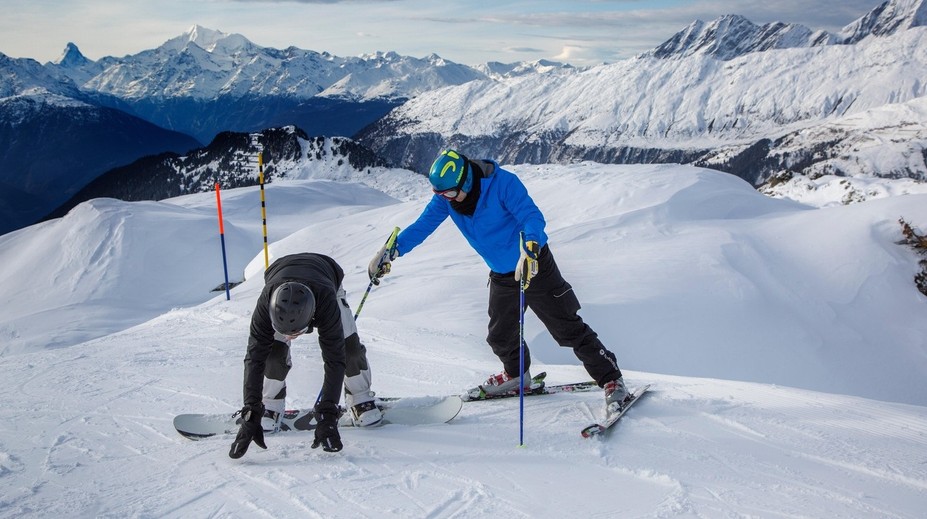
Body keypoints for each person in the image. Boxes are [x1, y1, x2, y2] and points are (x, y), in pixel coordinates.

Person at [367, 149, 630, 414]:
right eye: (439, 194)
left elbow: (531, 216)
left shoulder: (503, 184)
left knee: (567, 329)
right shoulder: (448, 199)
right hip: (503, 275)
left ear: (465, 181)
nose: (443, 199)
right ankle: (517, 376)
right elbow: (423, 225)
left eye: (446, 193)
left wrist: (530, 247)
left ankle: (611, 379)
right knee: (500, 336)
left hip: (534, 265)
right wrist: (393, 250)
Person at [229, 252, 380, 459]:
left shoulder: (326, 304)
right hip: (279, 276)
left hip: (326, 279)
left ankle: (359, 397)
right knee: (272, 353)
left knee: (348, 348)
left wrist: (328, 414)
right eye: (286, 333)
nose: (291, 337)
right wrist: (251, 411)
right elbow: (254, 358)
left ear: (312, 319)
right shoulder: (266, 304)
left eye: (295, 332)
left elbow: (334, 359)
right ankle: (270, 402)